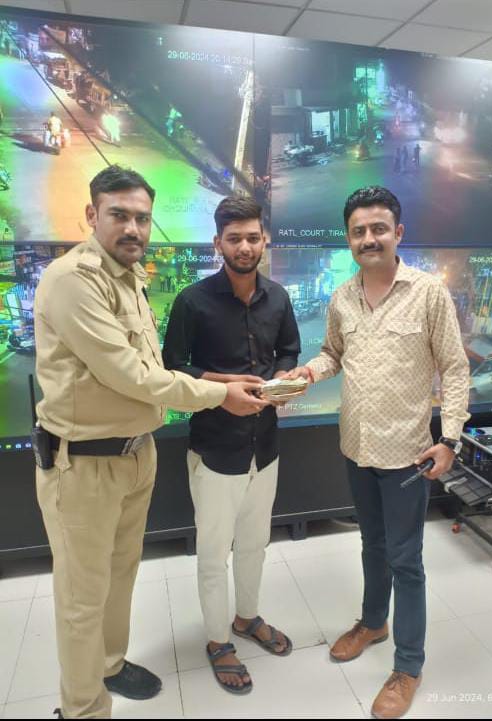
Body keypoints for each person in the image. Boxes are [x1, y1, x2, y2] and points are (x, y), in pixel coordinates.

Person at [33, 165, 267, 719]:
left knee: (120, 578)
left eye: (142, 217)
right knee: (83, 598)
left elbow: (152, 368)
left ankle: (109, 665)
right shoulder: (73, 280)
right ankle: (82, 708)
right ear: (92, 215)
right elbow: (131, 375)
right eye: (119, 215)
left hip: (136, 453)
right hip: (83, 465)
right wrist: (219, 394)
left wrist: (218, 380)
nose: (133, 228)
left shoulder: (129, 278)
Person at [286, 186, 470, 719]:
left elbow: (454, 368)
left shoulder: (428, 293)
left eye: (378, 228)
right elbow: (333, 353)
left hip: (408, 454)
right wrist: (307, 373)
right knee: (372, 543)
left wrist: (450, 439)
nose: (369, 238)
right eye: (359, 231)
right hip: (356, 446)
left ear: (398, 233)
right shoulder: (342, 297)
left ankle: (408, 666)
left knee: (406, 560)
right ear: (349, 239)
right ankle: (373, 622)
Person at [162, 195, 301, 695]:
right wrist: (225, 388)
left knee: (255, 543)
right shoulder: (192, 301)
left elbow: (289, 350)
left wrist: (284, 380)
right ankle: (218, 641)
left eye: (252, 237)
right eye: (234, 238)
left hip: (266, 447)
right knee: (213, 551)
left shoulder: (278, 298)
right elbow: (173, 367)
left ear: (265, 240)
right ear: (217, 242)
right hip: (216, 449)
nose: (244, 247)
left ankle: (247, 617)